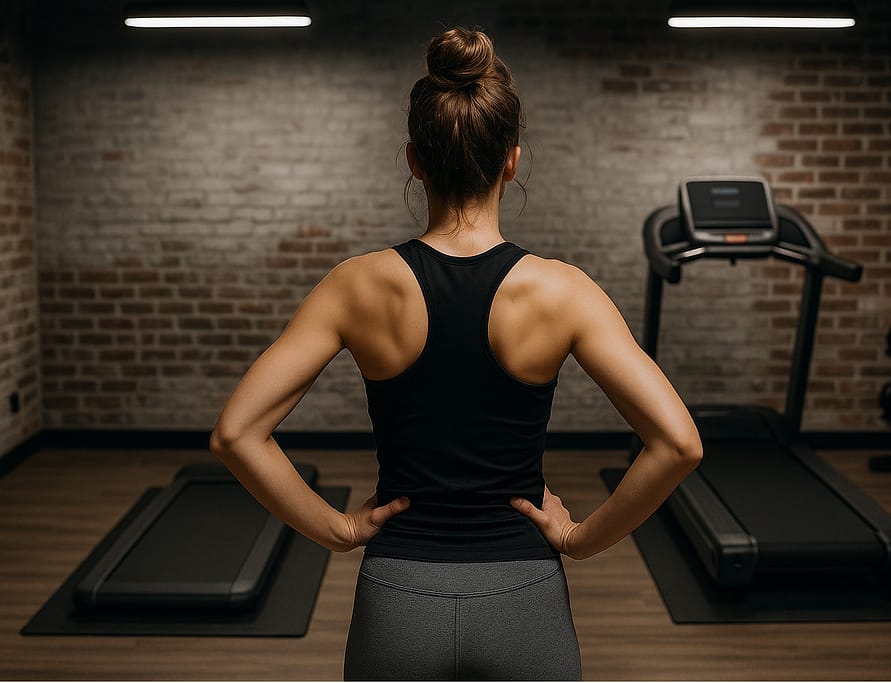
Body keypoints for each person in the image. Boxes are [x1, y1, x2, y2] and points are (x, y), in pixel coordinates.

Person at [209, 26, 702, 681]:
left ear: (414, 160)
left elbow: (236, 433)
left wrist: (340, 530)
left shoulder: (356, 285)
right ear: (513, 160)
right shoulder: (561, 290)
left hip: (397, 597)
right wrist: (581, 538)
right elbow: (678, 443)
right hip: (525, 597)